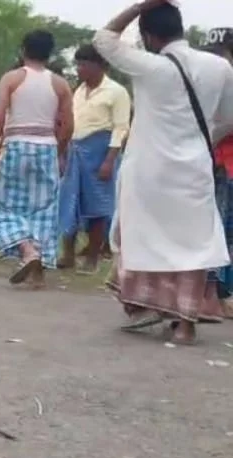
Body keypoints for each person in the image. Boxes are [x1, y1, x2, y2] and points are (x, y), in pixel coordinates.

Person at [95, 1, 233, 343]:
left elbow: (103, 39)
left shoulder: (150, 66)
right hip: (195, 168)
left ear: (149, 36)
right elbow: (228, 118)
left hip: (149, 170)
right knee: (193, 244)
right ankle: (185, 324)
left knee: (144, 237)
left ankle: (149, 303)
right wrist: (202, 141)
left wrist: (143, 4)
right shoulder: (220, 67)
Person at [0, 29, 74, 288]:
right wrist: (57, 151)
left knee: (4, 206)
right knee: (43, 210)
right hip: (46, 144)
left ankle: (27, 251)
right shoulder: (60, 84)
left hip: (16, 144)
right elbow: (68, 126)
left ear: (23, 50)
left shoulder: (12, 79)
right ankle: (38, 274)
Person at [57, 44, 131, 273]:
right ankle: (67, 253)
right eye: (78, 64)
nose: (80, 69)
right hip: (76, 149)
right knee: (69, 201)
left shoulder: (116, 92)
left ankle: (92, 257)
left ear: (100, 66)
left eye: (85, 64)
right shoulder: (77, 91)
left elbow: (121, 128)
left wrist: (109, 160)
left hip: (101, 150)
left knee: (98, 206)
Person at [203, 27, 233, 314]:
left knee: (222, 229)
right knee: (220, 229)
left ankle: (221, 294)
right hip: (219, 162)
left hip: (224, 162)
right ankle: (219, 294)